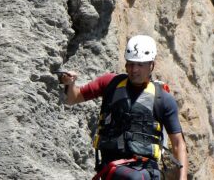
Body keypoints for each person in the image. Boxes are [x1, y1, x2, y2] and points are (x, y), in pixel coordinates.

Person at [59, 35, 188, 180]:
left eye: (140, 65)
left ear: (152, 65)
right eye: (131, 64)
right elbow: (73, 98)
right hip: (113, 166)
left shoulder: (163, 99)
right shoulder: (110, 83)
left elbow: (178, 144)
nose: (134, 70)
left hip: (146, 169)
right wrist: (69, 84)